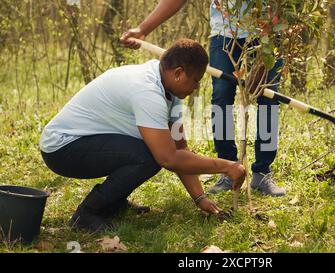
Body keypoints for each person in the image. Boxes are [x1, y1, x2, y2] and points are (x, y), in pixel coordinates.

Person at [40, 39, 246, 233]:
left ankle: (114, 202)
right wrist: (227, 166)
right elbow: (168, 158)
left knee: (151, 150)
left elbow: (180, 149)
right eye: (195, 81)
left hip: (86, 142)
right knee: (149, 156)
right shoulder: (148, 92)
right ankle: (87, 214)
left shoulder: (169, 91)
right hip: (62, 148)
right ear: (179, 73)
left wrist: (200, 198)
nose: (195, 88)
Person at [121, 0, 286, 197]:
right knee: (221, 99)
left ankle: (262, 172)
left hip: (269, 34)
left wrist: (266, 43)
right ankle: (227, 168)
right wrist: (142, 28)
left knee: (268, 100)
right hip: (225, 32)